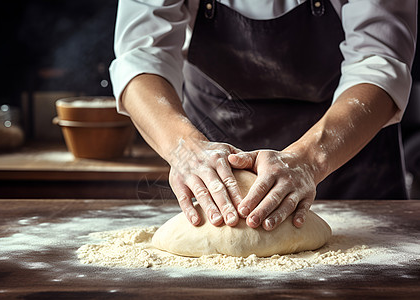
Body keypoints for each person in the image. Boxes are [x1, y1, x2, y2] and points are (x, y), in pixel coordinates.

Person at [109, 0, 417, 231]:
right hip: (215, 158)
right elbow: (142, 56)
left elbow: (379, 60)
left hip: (347, 149)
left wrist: (309, 160)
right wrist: (184, 147)